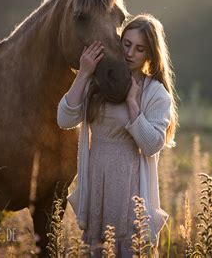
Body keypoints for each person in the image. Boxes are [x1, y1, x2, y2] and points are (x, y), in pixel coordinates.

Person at [57, 14, 178, 257]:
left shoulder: (155, 93)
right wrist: (83, 74)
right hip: (97, 181)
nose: (130, 53)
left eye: (140, 49)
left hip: (130, 184)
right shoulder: (100, 82)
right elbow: (64, 118)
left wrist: (133, 103)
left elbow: (152, 144)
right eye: (127, 44)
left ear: (150, 55)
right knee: (98, 248)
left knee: (127, 246)